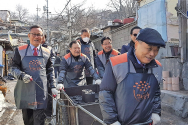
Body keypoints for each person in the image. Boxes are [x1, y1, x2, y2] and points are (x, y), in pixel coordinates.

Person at [99, 28, 165, 125]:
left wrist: (156, 112)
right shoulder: (116, 64)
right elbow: (106, 93)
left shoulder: (157, 67)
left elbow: (155, 92)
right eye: (149, 48)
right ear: (137, 44)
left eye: (156, 50)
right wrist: (112, 121)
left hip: (147, 122)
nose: (152, 54)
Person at [12, 25, 58, 125]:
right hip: (25, 91)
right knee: (28, 120)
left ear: (42, 37)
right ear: (29, 35)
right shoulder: (20, 50)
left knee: (39, 120)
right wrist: (22, 75)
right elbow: (13, 68)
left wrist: (53, 86)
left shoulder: (47, 52)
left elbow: (50, 70)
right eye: (34, 34)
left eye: (39, 35)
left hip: (41, 92)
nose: (36, 37)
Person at [41, 34, 56, 117]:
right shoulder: (33, 49)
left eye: (43, 37)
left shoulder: (49, 48)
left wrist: (49, 64)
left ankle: (48, 116)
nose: (41, 38)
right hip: (38, 76)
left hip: (47, 75)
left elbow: (52, 59)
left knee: (49, 97)